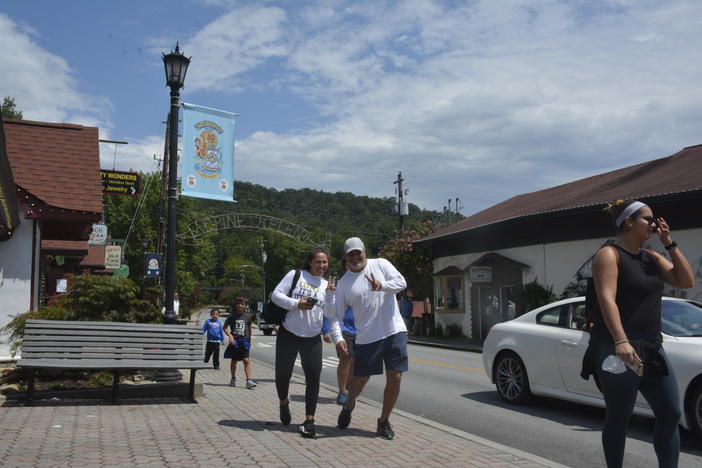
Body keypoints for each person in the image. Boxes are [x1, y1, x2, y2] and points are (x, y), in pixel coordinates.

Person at [585, 199, 693, 468]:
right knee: (619, 416)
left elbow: (686, 281)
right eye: (648, 219)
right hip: (618, 346)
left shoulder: (651, 257)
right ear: (629, 222)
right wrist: (620, 340)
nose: (654, 224)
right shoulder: (609, 254)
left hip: (652, 346)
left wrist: (669, 244)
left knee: (670, 413)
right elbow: (607, 298)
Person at [332, 237, 408, 440]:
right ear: (346, 258)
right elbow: (336, 316)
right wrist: (338, 338)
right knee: (360, 380)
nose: (356, 256)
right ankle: (349, 405)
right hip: (366, 338)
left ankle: (383, 421)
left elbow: (401, 282)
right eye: (351, 254)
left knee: (396, 376)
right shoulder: (344, 283)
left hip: (394, 330)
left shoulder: (380, 264)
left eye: (358, 252)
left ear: (365, 252)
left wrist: (381, 285)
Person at [272, 248, 342, 439]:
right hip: (289, 333)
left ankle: (309, 419)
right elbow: (275, 296)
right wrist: (296, 304)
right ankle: (283, 402)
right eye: (318, 262)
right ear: (310, 262)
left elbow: (329, 313)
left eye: (325, 262)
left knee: (313, 377)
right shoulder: (296, 275)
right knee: (282, 374)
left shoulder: (327, 285)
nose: (322, 266)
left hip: (312, 337)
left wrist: (330, 294)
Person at [223, 297, 257, 389]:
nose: (240, 305)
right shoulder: (231, 316)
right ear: (235, 304)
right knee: (234, 360)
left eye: (242, 304)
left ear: (246, 306)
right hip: (235, 341)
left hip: (244, 341)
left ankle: (249, 380)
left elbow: (249, 329)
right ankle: (233, 378)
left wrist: (249, 341)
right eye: (238, 304)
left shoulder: (248, 316)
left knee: (246, 360)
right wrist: (230, 336)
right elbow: (225, 327)